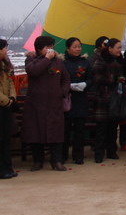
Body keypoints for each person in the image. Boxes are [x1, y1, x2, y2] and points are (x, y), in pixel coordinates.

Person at [23, 35, 70, 171]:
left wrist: (62, 92)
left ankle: (57, 161)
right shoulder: (31, 60)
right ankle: (38, 161)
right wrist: (46, 59)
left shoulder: (58, 62)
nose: (51, 50)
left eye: (52, 47)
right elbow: (33, 71)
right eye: (47, 47)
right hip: (35, 105)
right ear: (39, 48)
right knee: (36, 133)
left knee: (56, 133)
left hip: (54, 104)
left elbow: (66, 79)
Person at [92, 38, 125, 163]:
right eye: (118, 47)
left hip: (115, 97)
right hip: (103, 97)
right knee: (101, 128)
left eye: (120, 47)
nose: (120, 50)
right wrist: (114, 79)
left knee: (113, 127)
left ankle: (112, 151)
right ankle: (99, 153)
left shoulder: (119, 60)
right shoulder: (100, 60)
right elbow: (97, 78)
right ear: (110, 48)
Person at [62, 37, 92, 164]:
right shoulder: (62, 63)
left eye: (79, 46)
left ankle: (78, 155)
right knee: (65, 129)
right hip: (67, 99)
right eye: (74, 47)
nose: (78, 49)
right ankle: (63, 155)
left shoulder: (85, 62)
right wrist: (68, 86)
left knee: (80, 129)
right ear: (68, 48)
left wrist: (85, 84)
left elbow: (91, 79)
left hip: (81, 99)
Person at [0, 39, 18, 179]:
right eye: (5, 48)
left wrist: (12, 97)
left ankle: (8, 168)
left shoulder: (5, 64)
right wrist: (5, 101)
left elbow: (11, 82)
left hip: (6, 106)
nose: (6, 51)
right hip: (2, 104)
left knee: (6, 139)